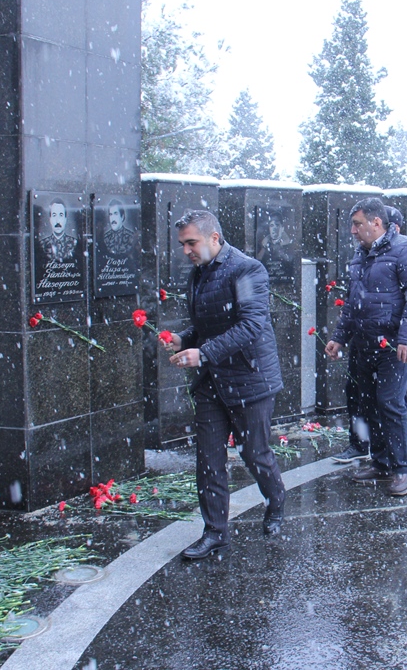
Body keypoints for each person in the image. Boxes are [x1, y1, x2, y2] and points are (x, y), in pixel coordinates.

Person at [163, 210, 287, 560]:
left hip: (249, 378)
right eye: (182, 244)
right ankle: (215, 532)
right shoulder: (198, 273)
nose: (186, 250)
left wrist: (202, 353)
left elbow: (250, 325)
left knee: (254, 453)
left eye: (191, 242)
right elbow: (207, 325)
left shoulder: (247, 269)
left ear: (214, 238)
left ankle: (276, 500)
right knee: (208, 459)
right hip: (211, 382)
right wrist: (183, 338)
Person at [324, 197, 407, 497]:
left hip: (391, 345)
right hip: (363, 343)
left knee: (390, 404)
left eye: (357, 224)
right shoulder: (361, 254)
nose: (353, 231)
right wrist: (339, 337)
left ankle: (402, 469)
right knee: (368, 403)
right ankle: (381, 462)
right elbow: (353, 302)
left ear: (376, 222)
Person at [38, 199, 77, 263]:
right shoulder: (42, 244)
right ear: (50, 219)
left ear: (65, 219)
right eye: (54, 215)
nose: (57, 221)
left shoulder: (74, 243)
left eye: (61, 215)